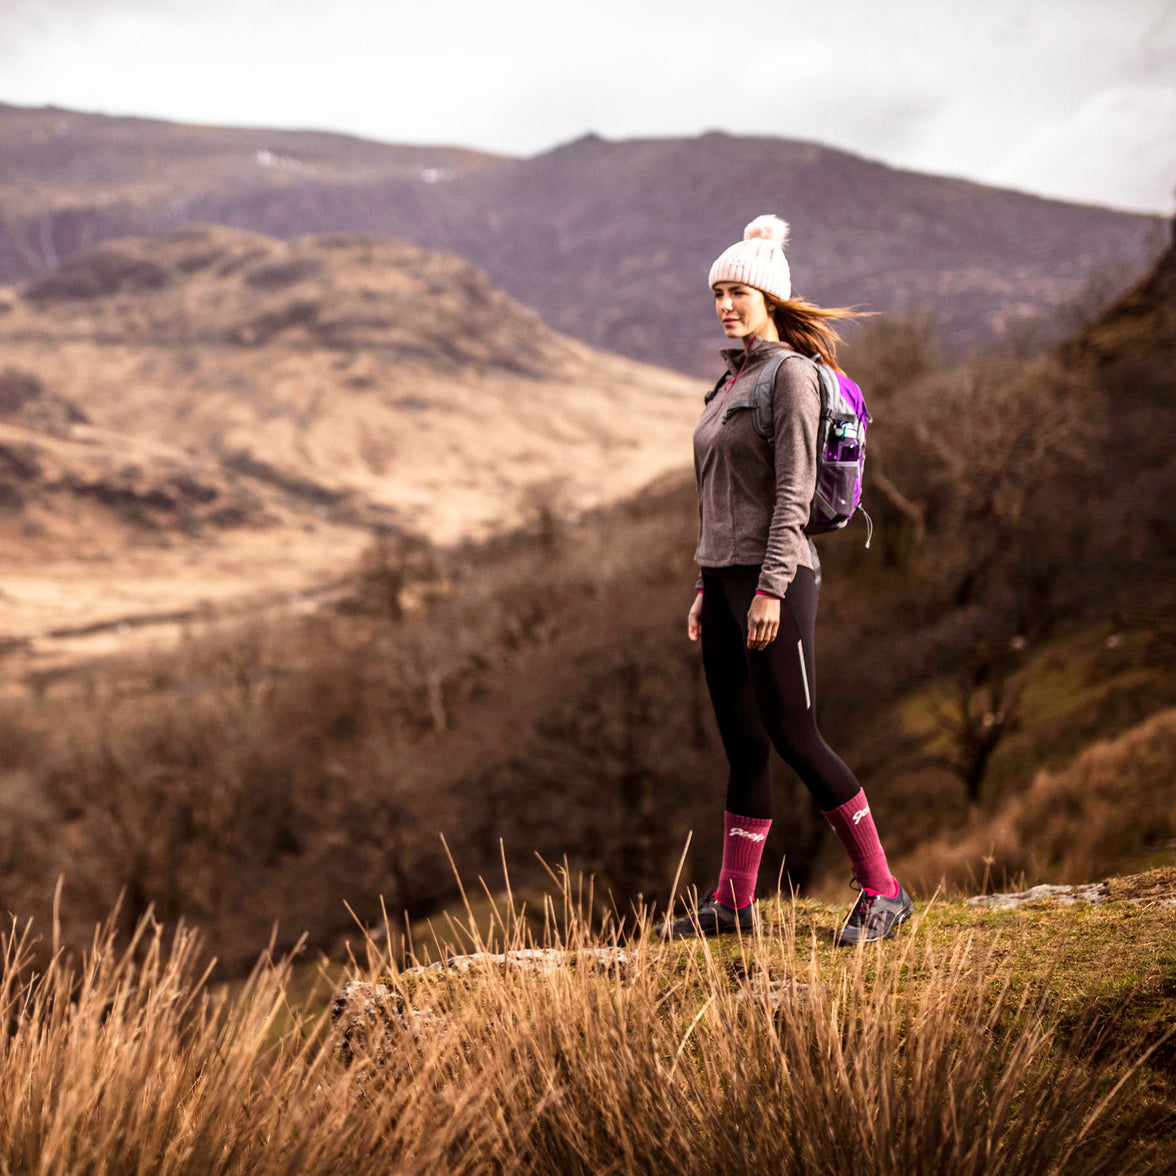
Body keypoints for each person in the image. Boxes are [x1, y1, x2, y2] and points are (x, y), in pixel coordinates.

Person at [657, 214, 912, 945]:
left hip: (780, 582)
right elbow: (722, 497)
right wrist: (709, 587)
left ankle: (884, 891)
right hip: (726, 582)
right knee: (743, 745)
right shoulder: (729, 379)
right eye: (718, 294)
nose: (726, 305)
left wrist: (768, 588)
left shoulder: (790, 377)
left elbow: (794, 492)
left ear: (768, 298)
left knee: (796, 735)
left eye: (738, 291)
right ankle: (735, 902)